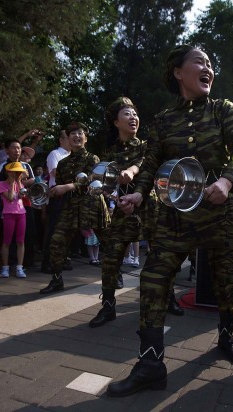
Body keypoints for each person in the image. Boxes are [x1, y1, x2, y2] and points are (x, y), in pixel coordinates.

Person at [108, 45, 233, 397]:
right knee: (154, 279)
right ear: (178, 72)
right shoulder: (163, 119)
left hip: (219, 212)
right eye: (200, 62)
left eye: (211, 64)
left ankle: (227, 336)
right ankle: (151, 364)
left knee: (227, 281)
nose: (208, 69)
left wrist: (227, 181)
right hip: (175, 216)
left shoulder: (223, 109)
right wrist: (139, 194)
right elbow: (152, 161)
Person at [88, 97, 148, 327]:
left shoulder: (146, 145)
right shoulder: (109, 152)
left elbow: (144, 163)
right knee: (111, 256)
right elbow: (106, 183)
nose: (133, 117)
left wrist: (131, 170)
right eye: (127, 113)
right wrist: (116, 199)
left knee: (161, 258)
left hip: (149, 208)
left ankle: (168, 297)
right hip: (124, 210)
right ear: (115, 122)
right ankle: (108, 306)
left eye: (135, 113)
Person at [39, 122, 109, 294]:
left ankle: (115, 276)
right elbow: (61, 185)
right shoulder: (62, 164)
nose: (77, 136)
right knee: (57, 241)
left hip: (92, 205)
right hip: (70, 207)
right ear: (67, 139)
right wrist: (50, 192)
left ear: (85, 138)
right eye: (73, 134)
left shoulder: (93, 159)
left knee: (108, 242)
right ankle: (56, 280)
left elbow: (89, 181)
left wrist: (66, 187)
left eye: (80, 133)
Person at [41, 130, 72, 273]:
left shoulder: (74, 155)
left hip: (70, 194)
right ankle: (47, 262)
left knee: (67, 230)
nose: (72, 140)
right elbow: (54, 172)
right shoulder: (55, 154)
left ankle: (62, 259)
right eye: (68, 137)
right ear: (61, 140)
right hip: (57, 193)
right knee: (53, 230)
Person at [0, 162, 28, 278]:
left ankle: (19, 267)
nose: (17, 174)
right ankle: (5, 267)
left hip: (21, 214)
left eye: (18, 172)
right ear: (8, 172)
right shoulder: (1, 184)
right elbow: (10, 198)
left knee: (21, 241)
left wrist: (19, 181)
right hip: (8, 214)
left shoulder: (19, 184)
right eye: (14, 172)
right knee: (7, 241)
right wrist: (11, 183)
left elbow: (21, 196)